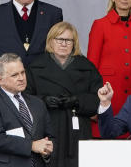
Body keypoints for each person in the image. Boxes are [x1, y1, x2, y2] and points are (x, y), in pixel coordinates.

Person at [26, 21, 103, 167]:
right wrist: (44, 101)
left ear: (74, 43)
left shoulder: (87, 67)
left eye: (68, 40)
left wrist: (77, 101)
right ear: (51, 41)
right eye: (59, 39)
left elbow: (97, 100)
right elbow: (25, 98)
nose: (64, 44)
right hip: (48, 127)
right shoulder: (35, 66)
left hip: (78, 129)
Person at [0, 53, 54, 166]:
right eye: (15, 75)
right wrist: (32, 145)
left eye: (22, 72)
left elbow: (50, 136)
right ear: (0, 79)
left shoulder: (37, 103)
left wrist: (47, 149)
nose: (21, 78)